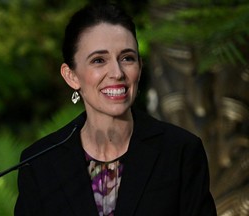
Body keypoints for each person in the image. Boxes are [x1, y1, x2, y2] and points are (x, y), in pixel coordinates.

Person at [14, 2, 217, 216]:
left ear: (140, 66)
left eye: (127, 58)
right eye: (99, 60)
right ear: (71, 76)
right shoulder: (39, 163)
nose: (117, 72)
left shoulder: (180, 152)